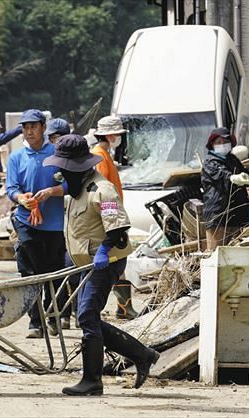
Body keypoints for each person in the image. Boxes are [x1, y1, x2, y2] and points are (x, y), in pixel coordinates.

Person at [42, 134, 159, 396]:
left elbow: (118, 229)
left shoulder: (101, 190)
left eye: (64, 167)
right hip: (85, 263)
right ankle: (142, 354)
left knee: (86, 316)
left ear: (78, 167)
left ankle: (92, 380)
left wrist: (104, 251)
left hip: (105, 261)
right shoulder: (76, 189)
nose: (60, 172)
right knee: (89, 317)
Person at [6, 109, 68, 338]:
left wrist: (52, 191)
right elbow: (11, 188)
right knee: (30, 273)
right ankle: (35, 322)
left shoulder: (57, 155)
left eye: (33, 126)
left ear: (43, 127)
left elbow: (72, 185)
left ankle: (53, 315)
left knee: (54, 273)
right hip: (25, 221)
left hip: (53, 224)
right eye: (25, 127)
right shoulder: (16, 158)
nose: (29, 131)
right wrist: (22, 198)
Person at [91, 116, 138, 320]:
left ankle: (123, 306)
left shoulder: (105, 154)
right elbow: (101, 191)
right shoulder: (99, 156)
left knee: (119, 261)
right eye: (117, 135)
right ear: (110, 135)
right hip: (109, 219)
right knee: (115, 261)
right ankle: (122, 307)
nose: (119, 138)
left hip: (114, 217)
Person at [201, 127, 249, 251]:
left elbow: (243, 173)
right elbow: (221, 175)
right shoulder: (210, 162)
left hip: (236, 214)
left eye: (225, 142)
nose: (222, 145)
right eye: (218, 142)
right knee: (217, 252)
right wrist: (232, 178)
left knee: (236, 252)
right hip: (219, 215)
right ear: (212, 145)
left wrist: (244, 175)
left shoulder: (233, 160)